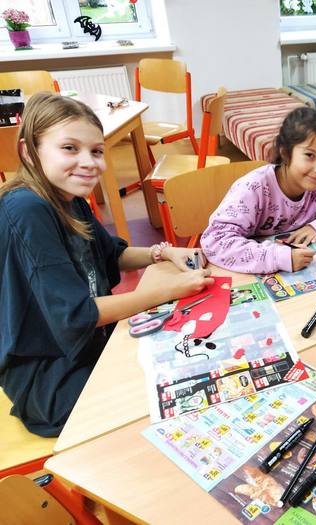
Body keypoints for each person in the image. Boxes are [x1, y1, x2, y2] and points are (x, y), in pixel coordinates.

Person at [0, 93, 214, 437]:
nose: (89, 162)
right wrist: (169, 290)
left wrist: (163, 253)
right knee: (170, 391)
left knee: (183, 359)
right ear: (29, 152)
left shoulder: (69, 198)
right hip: (52, 378)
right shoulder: (27, 210)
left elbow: (112, 254)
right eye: (70, 148)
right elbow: (78, 315)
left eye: (97, 151)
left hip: (89, 346)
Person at [200, 106, 316, 274]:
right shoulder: (253, 189)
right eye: (309, 155)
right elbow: (215, 241)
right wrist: (279, 257)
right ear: (285, 153)